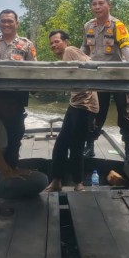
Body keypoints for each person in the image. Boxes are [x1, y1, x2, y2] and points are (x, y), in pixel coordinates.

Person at [80, 0, 129, 164]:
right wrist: (74, 61)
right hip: (96, 77)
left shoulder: (117, 25)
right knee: (95, 113)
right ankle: (89, 146)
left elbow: (127, 49)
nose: (97, 7)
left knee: (124, 114)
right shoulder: (88, 26)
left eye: (101, 3)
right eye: (94, 4)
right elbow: (84, 49)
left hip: (117, 77)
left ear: (109, 5)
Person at [0, 9, 37, 167]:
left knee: (14, 138)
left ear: (17, 23)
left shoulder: (26, 44)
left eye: (10, 21)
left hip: (16, 101)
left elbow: (35, 70)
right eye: (3, 21)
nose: (6, 24)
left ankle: (11, 170)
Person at [45, 30, 99, 192]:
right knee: (62, 143)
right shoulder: (65, 57)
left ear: (66, 41)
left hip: (85, 105)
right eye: (51, 43)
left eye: (57, 41)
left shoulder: (69, 51)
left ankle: (78, 184)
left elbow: (91, 64)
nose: (54, 45)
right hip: (75, 103)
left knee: (75, 144)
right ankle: (57, 181)